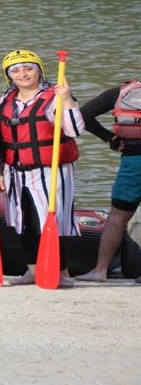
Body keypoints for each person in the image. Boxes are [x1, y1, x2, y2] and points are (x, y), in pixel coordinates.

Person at [0, 50, 83, 288]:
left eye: (28, 68)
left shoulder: (55, 95)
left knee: (52, 219)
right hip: (14, 170)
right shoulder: (5, 101)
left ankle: (62, 273)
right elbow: (2, 139)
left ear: (39, 70)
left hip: (50, 169)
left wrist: (68, 100)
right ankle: (32, 271)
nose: (23, 74)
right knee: (23, 221)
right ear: (9, 76)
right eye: (16, 70)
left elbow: (75, 130)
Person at [75, 78, 141, 282]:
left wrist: (109, 138)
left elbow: (83, 115)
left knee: (118, 216)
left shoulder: (122, 91)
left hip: (133, 160)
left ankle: (100, 270)